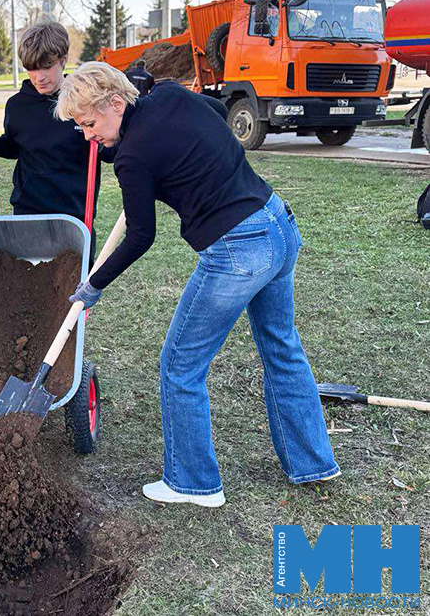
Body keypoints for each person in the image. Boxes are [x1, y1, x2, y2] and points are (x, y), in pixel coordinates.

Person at [58, 62, 340, 508]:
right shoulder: (169, 97)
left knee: (179, 365)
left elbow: (140, 236)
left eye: (90, 124)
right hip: (278, 225)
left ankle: (192, 483)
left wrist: (94, 284)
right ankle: (312, 463)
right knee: (282, 348)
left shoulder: (133, 159)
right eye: (80, 128)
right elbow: (208, 108)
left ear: (116, 102)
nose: (88, 136)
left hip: (238, 252)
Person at [0, 22, 114, 255]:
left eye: (46, 66)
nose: (39, 77)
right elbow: (17, 147)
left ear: (63, 59)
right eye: (31, 68)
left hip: (75, 216)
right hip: (28, 213)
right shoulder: (18, 106)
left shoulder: (84, 104)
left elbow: (109, 152)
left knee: (76, 287)